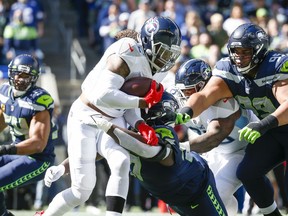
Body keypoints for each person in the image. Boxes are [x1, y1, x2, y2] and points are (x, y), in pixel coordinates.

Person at [35, 16, 182, 216]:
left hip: (114, 117)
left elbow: (127, 101)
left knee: (121, 162)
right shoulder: (126, 51)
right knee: (82, 190)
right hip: (86, 116)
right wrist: (142, 102)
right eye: (164, 52)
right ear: (149, 43)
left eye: (170, 54)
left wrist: (139, 123)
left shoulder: (153, 67)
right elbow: (103, 96)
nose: (167, 59)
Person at [43, 91, 228, 216]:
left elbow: (157, 154)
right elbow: (95, 152)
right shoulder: (129, 127)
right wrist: (63, 167)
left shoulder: (163, 132)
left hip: (197, 186)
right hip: (171, 195)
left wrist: (109, 127)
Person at [179, 23, 288, 216]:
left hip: (272, 125)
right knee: (248, 172)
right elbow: (204, 96)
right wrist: (187, 111)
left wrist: (263, 124)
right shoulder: (228, 69)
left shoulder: (275, 65)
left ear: (260, 50)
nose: (239, 57)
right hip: (272, 130)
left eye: (245, 51)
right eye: (235, 51)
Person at [170, 58, 258, 215]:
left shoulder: (223, 101)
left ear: (203, 85)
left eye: (189, 91)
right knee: (195, 193)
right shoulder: (180, 100)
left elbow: (213, 138)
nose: (185, 96)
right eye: (183, 91)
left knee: (219, 194)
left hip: (242, 150)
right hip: (214, 152)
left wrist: (178, 147)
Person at [0, 53, 56, 216]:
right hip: (15, 152)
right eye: (18, 74)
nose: (21, 79)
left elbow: (37, 143)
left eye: (27, 76)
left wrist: (5, 149)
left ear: (34, 78)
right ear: (11, 73)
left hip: (38, 159)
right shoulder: (4, 92)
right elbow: (2, 121)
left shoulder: (38, 100)